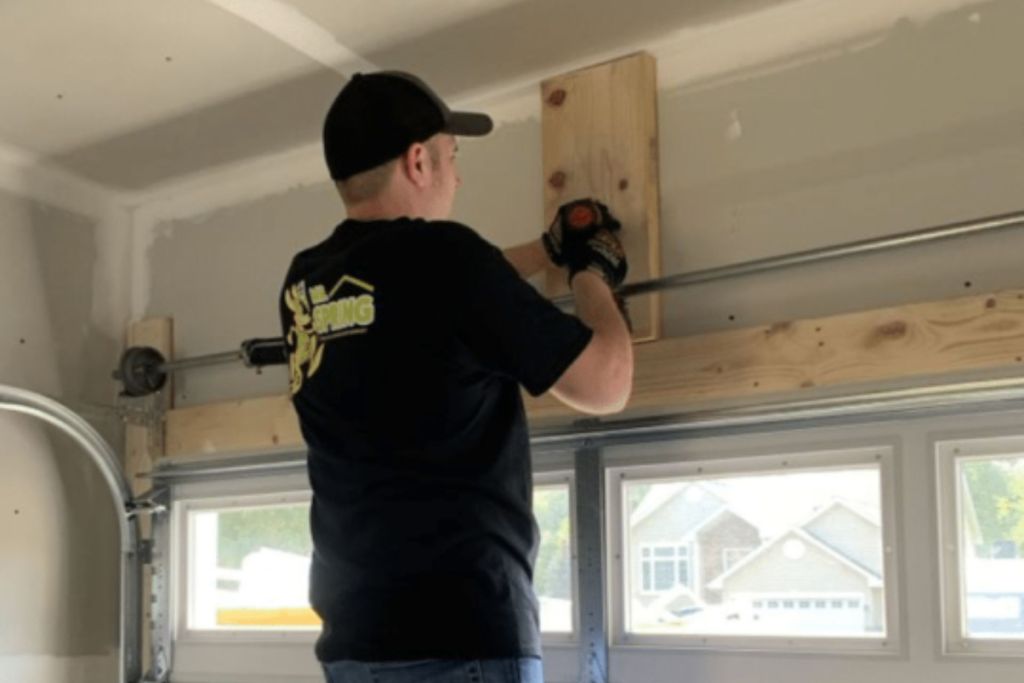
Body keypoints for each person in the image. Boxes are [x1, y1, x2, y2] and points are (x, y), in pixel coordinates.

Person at [279, 71, 634, 683]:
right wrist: (591, 274)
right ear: (418, 161)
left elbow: (427, 293)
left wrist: (544, 251)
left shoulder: (305, 281)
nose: (458, 176)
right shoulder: (447, 257)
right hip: (460, 632)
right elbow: (608, 385)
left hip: (352, 643)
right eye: (453, 155)